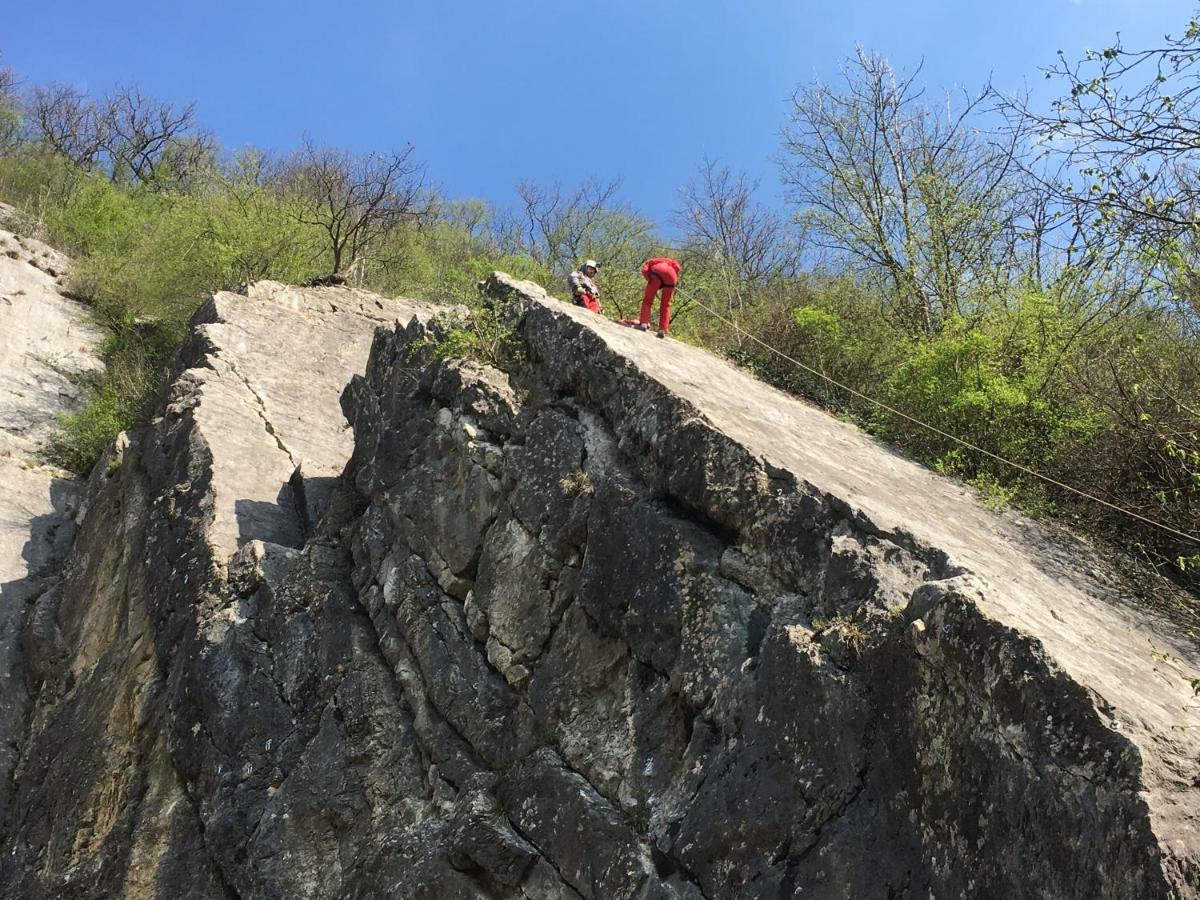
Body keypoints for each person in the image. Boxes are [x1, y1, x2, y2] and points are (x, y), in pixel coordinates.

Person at [639, 256, 681, 338]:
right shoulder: (672, 263)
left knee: (647, 301)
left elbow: (644, 270)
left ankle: (643, 325)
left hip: (657, 272)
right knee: (666, 305)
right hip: (672, 276)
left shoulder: (652, 261)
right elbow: (678, 269)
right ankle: (662, 330)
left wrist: (650, 280)